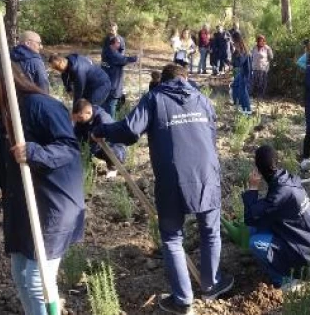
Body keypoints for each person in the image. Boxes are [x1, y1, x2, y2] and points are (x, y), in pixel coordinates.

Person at [92, 64, 233, 314]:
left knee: (172, 238)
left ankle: (183, 300)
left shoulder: (154, 98)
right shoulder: (202, 99)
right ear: (186, 78)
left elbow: (129, 130)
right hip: (207, 174)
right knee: (211, 232)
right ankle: (212, 284)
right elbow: (212, 137)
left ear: (162, 81)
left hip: (173, 178)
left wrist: (101, 129)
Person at [0, 50, 84, 315]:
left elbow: (69, 149)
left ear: (2, 78)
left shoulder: (42, 106)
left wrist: (35, 152)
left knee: (36, 279)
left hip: (54, 204)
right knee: (20, 275)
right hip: (25, 207)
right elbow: (1, 163)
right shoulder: (3, 113)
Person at [243, 145, 310, 288]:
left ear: (259, 170)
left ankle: (288, 282)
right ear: (277, 162)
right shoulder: (289, 179)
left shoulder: (278, 195)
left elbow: (251, 218)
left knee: (255, 242)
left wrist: (252, 188)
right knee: (258, 227)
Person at [72, 98, 125, 179]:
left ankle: (113, 168)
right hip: (94, 145)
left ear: (88, 113)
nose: (78, 120)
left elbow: (103, 141)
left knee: (110, 148)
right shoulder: (82, 120)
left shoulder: (102, 118)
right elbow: (76, 136)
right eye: (77, 118)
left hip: (114, 147)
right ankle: (86, 166)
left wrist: (88, 150)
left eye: (80, 117)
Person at [101, 37, 138, 118]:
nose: (120, 45)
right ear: (115, 43)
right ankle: (110, 125)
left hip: (104, 84)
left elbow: (121, 53)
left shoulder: (105, 51)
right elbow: (123, 59)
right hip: (112, 86)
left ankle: (103, 123)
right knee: (111, 106)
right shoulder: (113, 54)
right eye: (119, 43)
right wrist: (136, 57)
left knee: (104, 106)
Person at [231, 32, 253, 114]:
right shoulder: (238, 49)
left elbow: (240, 62)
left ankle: (247, 112)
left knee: (243, 93)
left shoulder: (243, 50)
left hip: (244, 75)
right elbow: (234, 62)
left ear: (236, 40)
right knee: (236, 90)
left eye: (233, 41)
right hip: (239, 74)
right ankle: (241, 109)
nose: (232, 43)